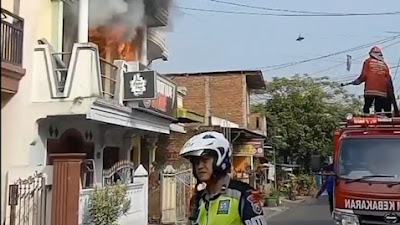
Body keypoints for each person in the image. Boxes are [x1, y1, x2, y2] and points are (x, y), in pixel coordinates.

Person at [180, 131, 267, 225]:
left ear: (220, 159)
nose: (200, 166)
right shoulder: (198, 200)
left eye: (205, 159)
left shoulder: (243, 195)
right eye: (196, 162)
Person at [345, 46, 393, 116]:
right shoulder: (384, 65)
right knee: (378, 109)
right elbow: (388, 79)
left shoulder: (368, 62)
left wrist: (357, 81)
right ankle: (378, 118)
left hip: (370, 90)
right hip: (382, 92)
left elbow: (364, 75)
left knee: (367, 106)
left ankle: (366, 117)